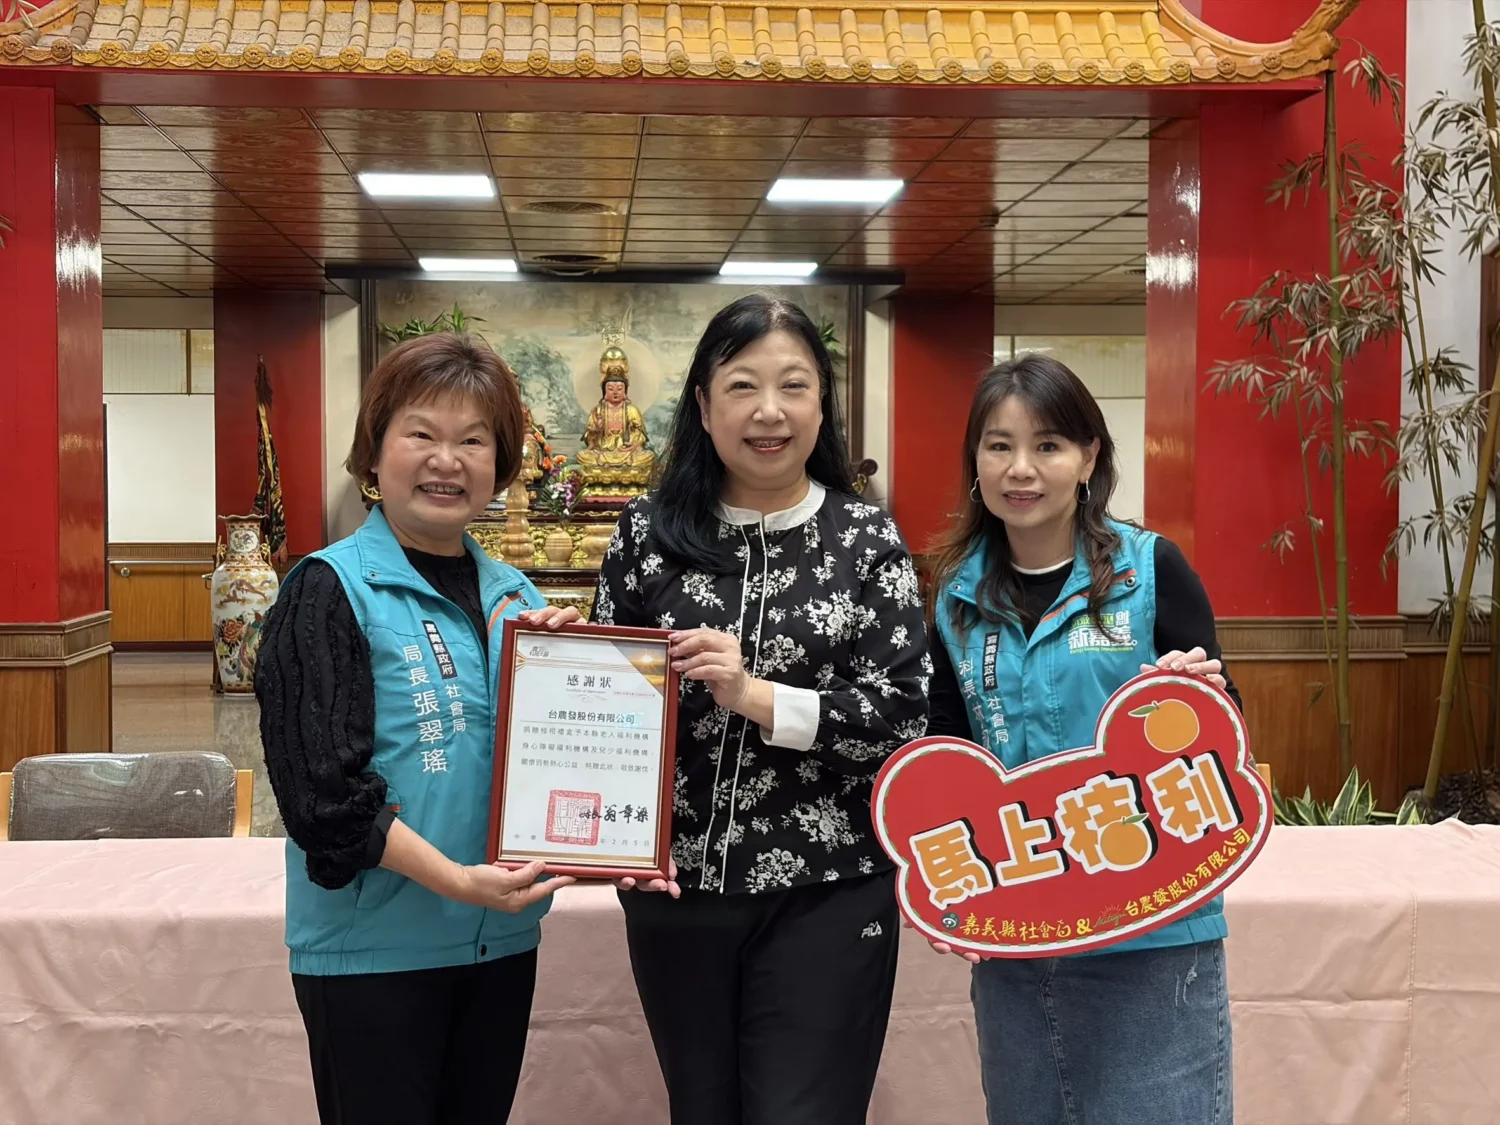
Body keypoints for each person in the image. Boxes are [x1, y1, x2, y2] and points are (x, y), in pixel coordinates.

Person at [591, 294, 930, 1125]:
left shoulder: (867, 540)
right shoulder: (646, 535)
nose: (769, 410)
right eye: (742, 385)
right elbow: (601, 708)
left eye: (793, 385)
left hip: (828, 888)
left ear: (822, 404)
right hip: (676, 889)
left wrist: (756, 697)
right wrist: (561, 660)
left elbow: (901, 718)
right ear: (704, 407)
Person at [255, 332, 580, 1125]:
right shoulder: (327, 588)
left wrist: (576, 674)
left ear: (500, 464)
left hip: (499, 945)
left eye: (473, 440)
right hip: (372, 955)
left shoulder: (518, 598)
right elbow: (323, 801)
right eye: (422, 434)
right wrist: (460, 882)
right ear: (374, 453)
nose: (447, 460)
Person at [924, 353, 1239, 1125]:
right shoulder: (955, 596)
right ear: (975, 459)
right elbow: (946, 754)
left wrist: (1202, 696)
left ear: (1089, 456)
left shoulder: (1150, 570)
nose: (1021, 469)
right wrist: (943, 883)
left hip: (1152, 930)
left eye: (1048, 445)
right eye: (999, 445)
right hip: (1019, 930)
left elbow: (1224, 736)